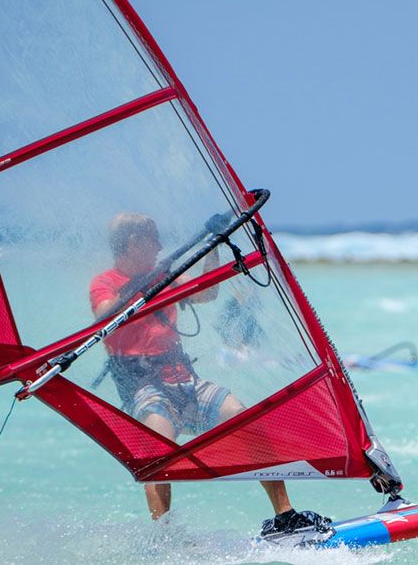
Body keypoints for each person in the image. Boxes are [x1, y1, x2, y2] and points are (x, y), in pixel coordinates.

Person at [89, 213, 329, 535]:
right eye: (154, 239)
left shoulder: (163, 275)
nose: (160, 246)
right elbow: (103, 316)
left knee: (244, 418)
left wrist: (213, 247)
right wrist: (136, 287)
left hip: (184, 379)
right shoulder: (104, 282)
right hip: (144, 387)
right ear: (134, 243)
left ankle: (284, 515)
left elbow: (207, 293)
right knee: (157, 447)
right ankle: (166, 538)